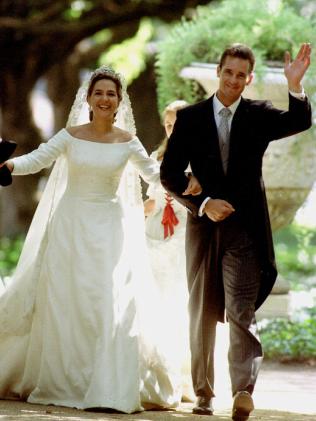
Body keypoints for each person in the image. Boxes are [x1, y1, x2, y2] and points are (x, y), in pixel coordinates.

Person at [0, 66, 197, 413]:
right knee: (66, 300)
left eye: (111, 94)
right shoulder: (71, 135)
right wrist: (8, 166)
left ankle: (106, 384)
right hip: (69, 226)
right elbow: (38, 158)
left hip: (110, 228)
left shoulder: (127, 141)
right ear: (89, 99)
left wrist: (189, 182)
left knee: (108, 300)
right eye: (99, 93)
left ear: (119, 101)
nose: (105, 99)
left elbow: (156, 175)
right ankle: (64, 380)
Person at [160, 43, 312, 420]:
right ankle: (204, 394)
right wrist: (203, 202)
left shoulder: (258, 115)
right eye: (228, 72)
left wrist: (295, 85)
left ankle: (243, 390)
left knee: (241, 310)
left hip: (245, 232)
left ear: (250, 78)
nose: (233, 80)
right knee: (201, 312)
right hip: (203, 229)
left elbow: (300, 121)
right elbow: (169, 174)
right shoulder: (191, 118)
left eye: (240, 75)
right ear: (218, 71)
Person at [144, 100, 201, 402]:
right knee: (153, 301)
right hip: (154, 233)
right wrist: (143, 208)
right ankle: (156, 372)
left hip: (181, 235)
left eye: (177, 124)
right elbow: (154, 194)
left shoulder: (198, 156)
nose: (172, 129)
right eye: (168, 125)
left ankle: (186, 378)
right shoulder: (157, 156)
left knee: (180, 302)